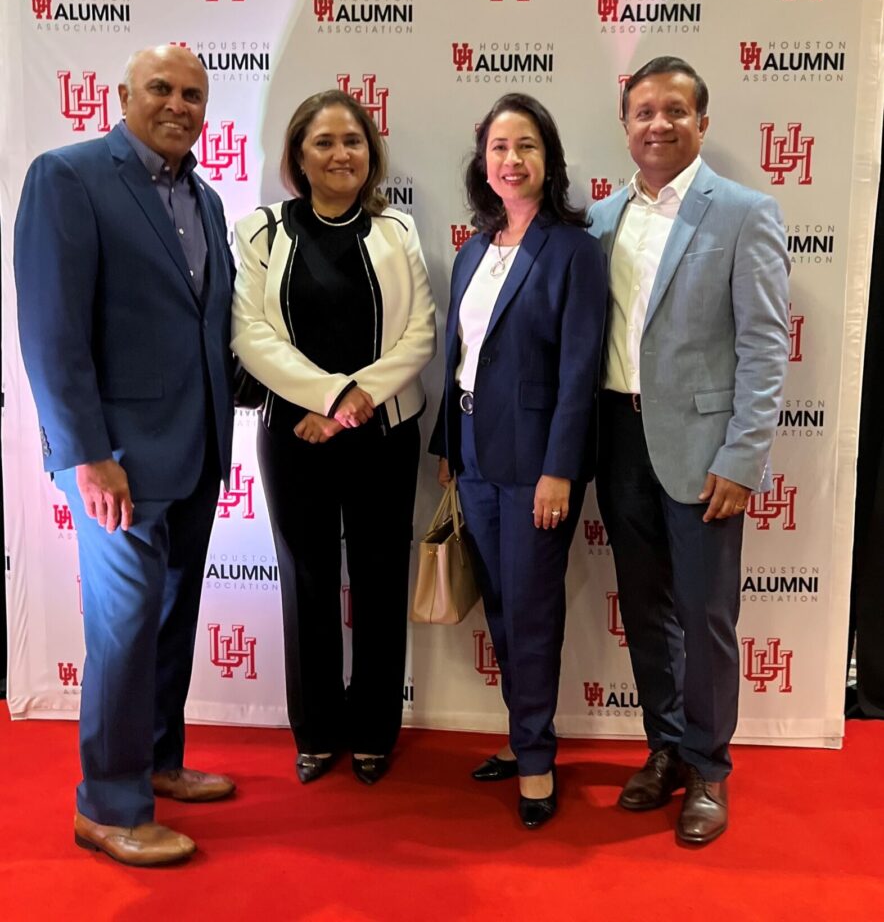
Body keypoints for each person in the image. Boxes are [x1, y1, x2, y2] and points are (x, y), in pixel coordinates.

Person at [14, 45, 236, 867]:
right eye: (161, 89)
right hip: (119, 462)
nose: (178, 105)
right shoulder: (67, 177)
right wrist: (85, 452)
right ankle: (108, 805)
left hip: (198, 447)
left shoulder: (204, 199)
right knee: (123, 629)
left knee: (171, 620)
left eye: (192, 94)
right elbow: (52, 330)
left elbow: (204, 323)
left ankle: (158, 761)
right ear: (123, 96)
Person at [589, 56, 790, 845]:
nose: (659, 123)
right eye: (644, 110)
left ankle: (710, 769)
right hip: (619, 440)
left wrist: (743, 458)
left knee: (706, 615)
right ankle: (665, 748)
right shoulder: (601, 219)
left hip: (705, 449)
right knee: (645, 611)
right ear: (626, 123)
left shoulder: (743, 212)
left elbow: (766, 345)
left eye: (676, 110)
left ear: (702, 123)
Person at [231, 90, 435, 787]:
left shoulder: (397, 232)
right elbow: (249, 333)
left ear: (370, 154)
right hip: (294, 437)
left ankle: (376, 728)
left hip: (383, 432)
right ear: (297, 155)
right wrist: (323, 397)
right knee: (308, 580)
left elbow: (421, 337)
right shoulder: (260, 231)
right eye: (323, 141)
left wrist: (350, 403)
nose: (340, 153)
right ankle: (316, 729)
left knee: (379, 581)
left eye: (353, 140)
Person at [432, 93, 606, 829]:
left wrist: (560, 469)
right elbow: (461, 358)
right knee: (500, 608)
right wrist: (447, 448)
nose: (512, 159)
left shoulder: (574, 249)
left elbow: (579, 370)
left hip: (538, 465)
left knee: (531, 613)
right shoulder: (476, 247)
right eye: (500, 147)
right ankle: (522, 734)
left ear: (549, 158)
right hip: (475, 456)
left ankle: (536, 762)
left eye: (527, 145)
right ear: (483, 160)